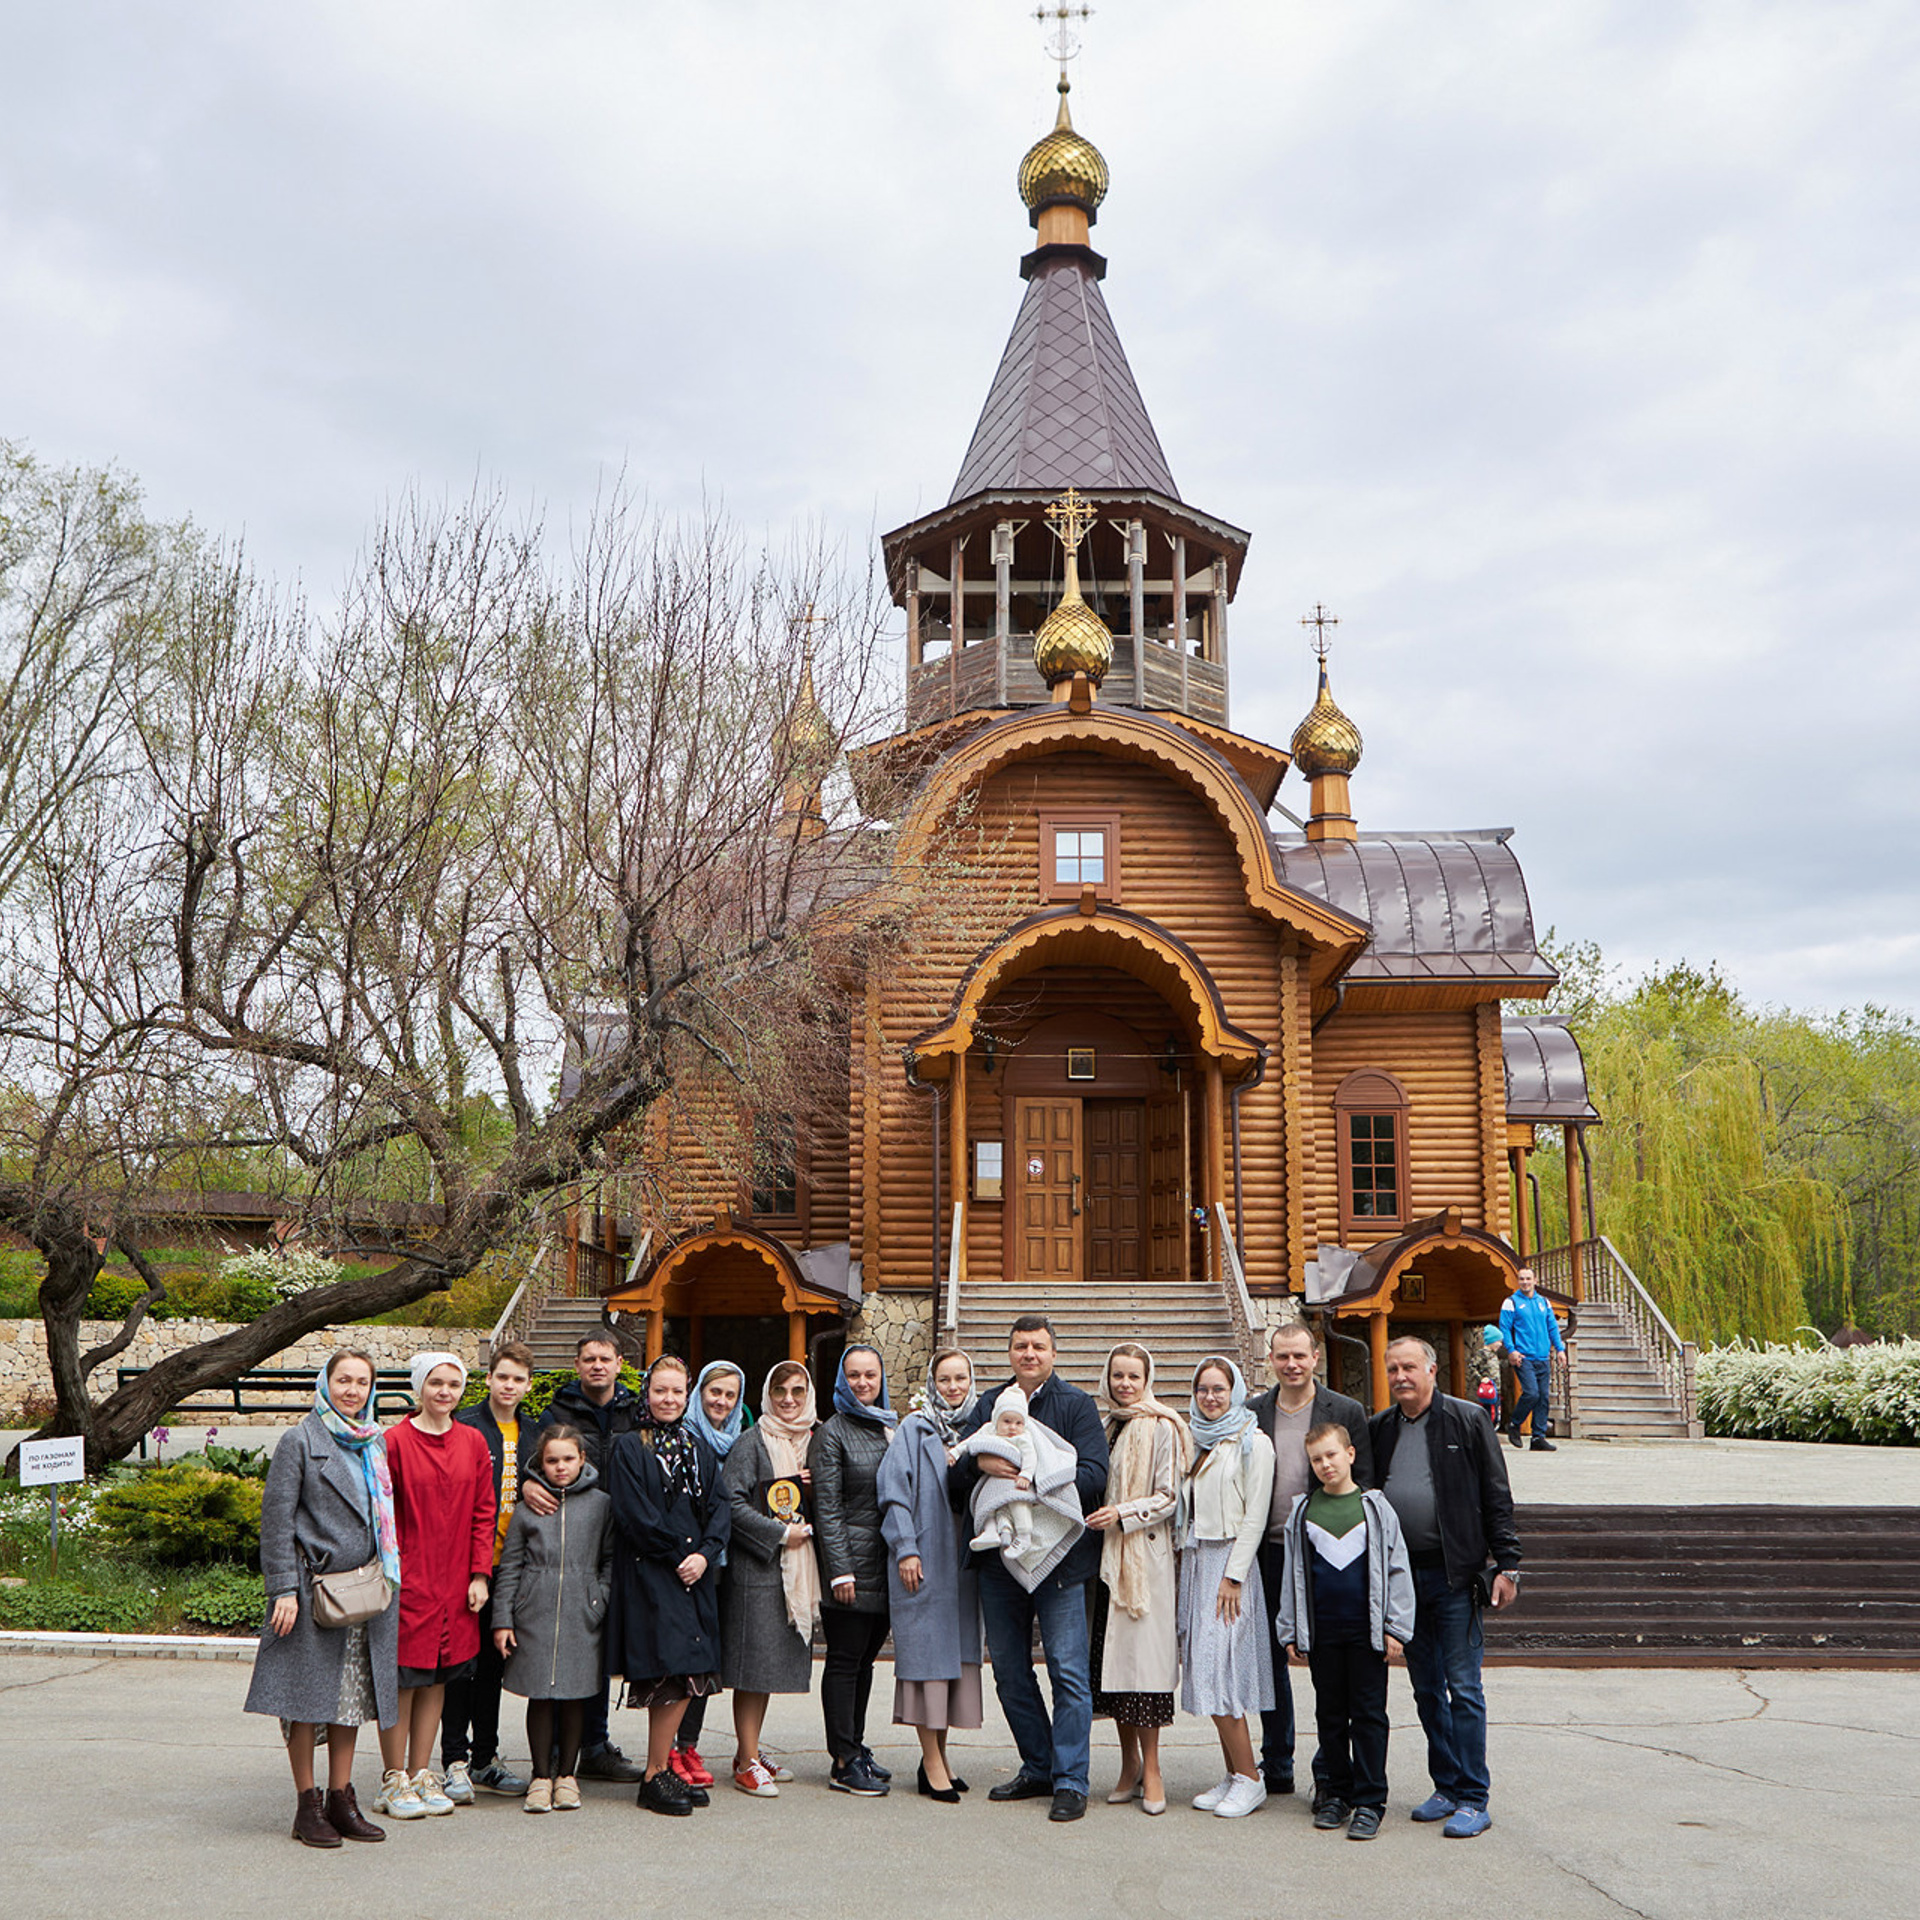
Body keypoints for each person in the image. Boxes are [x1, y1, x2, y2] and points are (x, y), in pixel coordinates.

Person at [951, 1314, 1109, 1823]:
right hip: (1000, 1561)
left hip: (1062, 1559)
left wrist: (1028, 1479)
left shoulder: (1077, 1406)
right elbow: (955, 1480)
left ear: (1053, 1353)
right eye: (1020, 1346)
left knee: (1067, 1671)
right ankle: (1038, 1764)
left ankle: (1070, 1780)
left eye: (1038, 1346)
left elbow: (1094, 1476)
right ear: (1010, 1352)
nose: (1029, 1354)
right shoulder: (989, 1405)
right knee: (1012, 1674)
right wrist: (979, 1466)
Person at [246, 1348, 399, 1848]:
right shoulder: (300, 1440)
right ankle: (306, 1803)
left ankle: (341, 1797)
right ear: (324, 1382)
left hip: (367, 1592)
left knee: (350, 1700)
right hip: (314, 1593)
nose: (352, 1390)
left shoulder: (371, 1440)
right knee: (306, 1700)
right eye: (343, 1380)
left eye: (361, 1382)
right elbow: (276, 1522)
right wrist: (282, 1590)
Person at [1370, 1335, 1522, 1839]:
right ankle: (1447, 1784)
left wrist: (1508, 1565)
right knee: (1426, 1689)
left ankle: (1474, 1797)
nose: (1400, 1377)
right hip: (1403, 1581)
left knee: (1465, 1688)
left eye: (1409, 1367)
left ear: (1432, 1370)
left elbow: (1496, 1493)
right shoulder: (1381, 1429)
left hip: (1455, 1576)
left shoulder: (1467, 1419)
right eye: (1393, 1369)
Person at [1247, 1319, 1372, 1802]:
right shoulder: (1253, 1412)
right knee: (1270, 1661)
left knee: (1325, 1665)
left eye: (1300, 1356)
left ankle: (1330, 1771)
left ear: (1315, 1357)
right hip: (1268, 1551)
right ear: (1271, 1360)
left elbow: (1367, 1485)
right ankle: (1276, 1761)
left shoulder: (1345, 1410)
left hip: (1326, 1555)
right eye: (1282, 1357)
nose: (1292, 1364)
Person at [1272, 1422, 1415, 1841]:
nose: (1325, 1464)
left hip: (1366, 1631)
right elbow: (1292, 1575)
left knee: (1369, 1715)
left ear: (1350, 1454)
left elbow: (1397, 1567)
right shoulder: (1303, 1511)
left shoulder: (1374, 1508)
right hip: (1323, 1632)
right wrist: (1291, 1629)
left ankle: (1371, 1800)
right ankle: (1337, 1792)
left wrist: (1396, 1627)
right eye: (1317, 1459)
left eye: (1332, 1455)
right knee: (1330, 1715)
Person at [606, 1354, 732, 1816]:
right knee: (668, 1671)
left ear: (688, 1394)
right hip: (652, 1571)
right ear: (647, 1391)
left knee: (691, 1670)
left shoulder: (696, 1446)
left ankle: (662, 1768)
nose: (669, 1399)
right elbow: (634, 1513)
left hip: (694, 1572)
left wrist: (704, 1552)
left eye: (677, 1391)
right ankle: (654, 1773)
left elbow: (719, 1506)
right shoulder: (628, 1446)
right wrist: (678, 1553)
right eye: (661, 1390)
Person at [523, 1331, 647, 1783]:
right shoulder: (556, 1412)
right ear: (577, 1365)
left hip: (622, 1540)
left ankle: (593, 1744)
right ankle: (557, 1750)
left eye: (605, 1358)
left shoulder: (635, 1412)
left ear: (619, 1363)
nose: (597, 1365)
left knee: (598, 1647)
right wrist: (526, 1483)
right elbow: (533, 1462)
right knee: (565, 1648)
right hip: (568, 1540)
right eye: (588, 1359)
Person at [375, 1352, 494, 1820]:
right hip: (410, 1578)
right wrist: (393, 1573)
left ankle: (423, 1771)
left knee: (441, 1677)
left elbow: (484, 1512)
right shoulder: (395, 1442)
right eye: (436, 1383)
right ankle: (393, 1777)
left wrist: (479, 1574)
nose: (445, 1393)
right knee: (405, 1678)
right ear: (419, 1387)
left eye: (454, 1385)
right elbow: (383, 1516)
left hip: (457, 1582)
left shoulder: (472, 1441)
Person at [1084, 1343, 1189, 1817]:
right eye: (1118, 1376)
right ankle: (1127, 1764)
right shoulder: (1107, 1424)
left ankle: (1153, 1769)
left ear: (1148, 1379)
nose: (1124, 1385)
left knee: (1145, 1671)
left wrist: (1123, 1513)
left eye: (1133, 1377)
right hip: (1107, 1560)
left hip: (1143, 1559)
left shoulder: (1162, 1426)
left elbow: (1170, 1497)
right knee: (1114, 1669)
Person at [878, 1348, 984, 1802]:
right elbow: (893, 1495)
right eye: (945, 1379)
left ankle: (939, 1756)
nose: (954, 1387)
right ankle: (930, 1761)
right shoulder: (913, 1429)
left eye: (961, 1378)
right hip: (923, 1555)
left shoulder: (982, 1431)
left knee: (955, 1657)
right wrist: (905, 1548)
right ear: (932, 1383)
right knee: (926, 1657)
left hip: (964, 1563)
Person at [492, 1424, 614, 1813]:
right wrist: (503, 1618)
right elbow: (510, 1565)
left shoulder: (601, 1505)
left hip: (582, 1610)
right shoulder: (528, 1507)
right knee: (540, 1695)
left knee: (576, 1695)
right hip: (535, 1611)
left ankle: (568, 1776)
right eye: (552, 1460)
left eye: (568, 1459)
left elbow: (609, 1560)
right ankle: (540, 1776)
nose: (561, 1467)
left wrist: (599, 1600)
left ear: (582, 1460)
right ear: (540, 1464)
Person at [1179, 1356, 1277, 1820]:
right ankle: (1234, 1771)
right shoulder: (1199, 1441)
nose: (1211, 1398)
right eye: (1203, 1390)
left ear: (1235, 1392)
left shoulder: (1253, 1443)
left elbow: (1255, 1516)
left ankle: (1251, 1779)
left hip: (1229, 1565)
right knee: (1205, 1667)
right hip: (1198, 1561)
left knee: (1222, 1671)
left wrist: (1234, 1575)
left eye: (1219, 1389)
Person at [717, 1361, 821, 1799]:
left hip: (795, 1569)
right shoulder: (751, 1440)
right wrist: (779, 1533)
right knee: (752, 1670)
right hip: (757, 1570)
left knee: (766, 1669)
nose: (789, 1399)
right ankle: (746, 1761)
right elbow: (731, 1502)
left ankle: (750, 1753)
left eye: (798, 1390)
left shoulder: (815, 1440)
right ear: (766, 1394)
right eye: (780, 1390)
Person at [442, 1339, 538, 1799]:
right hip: (467, 1566)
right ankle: (453, 1760)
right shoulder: (465, 1426)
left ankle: (485, 1758)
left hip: (511, 1569)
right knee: (461, 1665)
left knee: (494, 1666)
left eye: (518, 1379)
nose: (509, 1386)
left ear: (528, 1385)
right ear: (489, 1379)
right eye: (503, 1376)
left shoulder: (536, 1433)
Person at [812, 1344, 898, 1796]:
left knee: (865, 1662)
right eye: (855, 1376)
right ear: (842, 1381)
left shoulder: (889, 1426)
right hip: (850, 1570)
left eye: (871, 1375)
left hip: (884, 1566)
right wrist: (839, 1571)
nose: (864, 1383)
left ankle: (856, 1744)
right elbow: (827, 1507)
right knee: (845, 1661)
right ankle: (842, 1760)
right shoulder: (833, 1432)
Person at [671, 1360, 748, 1795]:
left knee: (706, 1660)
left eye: (729, 1395)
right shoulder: (683, 1436)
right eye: (714, 1392)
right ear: (699, 1391)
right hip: (687, 1563)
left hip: (724, 1565)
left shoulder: (739, 1441)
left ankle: (689, 1744)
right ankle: (667, 1748)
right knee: (681, 1657)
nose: (720, 1401)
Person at [957, 1387, 1039, 1555]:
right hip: (991, 1481)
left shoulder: (1023, 1438)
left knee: (1019, 1502)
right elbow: (970, 1441)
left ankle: (1024, 1535)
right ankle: (990, 1530)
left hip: (1016, 1482)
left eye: (1018, 1423)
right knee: (984, 1499)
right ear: (996, 1420)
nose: (1012, 1428)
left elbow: (1031, 1456)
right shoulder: (989, 1431)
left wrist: (1026, 1474)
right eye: (1006, 1421)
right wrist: (955, 1452)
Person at [1499, 1268, 1565, 1452]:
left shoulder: (1543, 1302)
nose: (1525, 1282)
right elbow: (1505, 1328)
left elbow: (1552, 1326)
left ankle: (1538, 1437)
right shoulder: (1511, 1302)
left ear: (1535, 1280)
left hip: (1542, 1357)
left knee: (1543, 1397)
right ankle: (1514, 1424)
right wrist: (1511, 1350)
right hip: (1523, 1357)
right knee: (1531, 1393)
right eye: (1521, 1279)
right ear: (1518, 1281)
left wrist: (1560, 1349)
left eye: (1528, 1279)